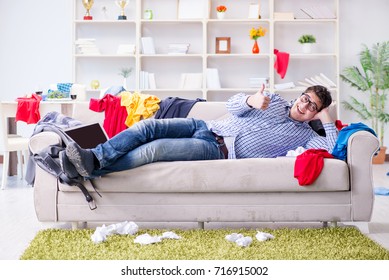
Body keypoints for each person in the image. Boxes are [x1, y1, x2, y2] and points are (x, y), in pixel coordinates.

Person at [62, 85, 337, 179]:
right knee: (148, 126)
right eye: (305, 98)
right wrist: (249, 101)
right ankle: (93, 157)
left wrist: (327, 118)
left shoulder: (306, 135)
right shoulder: (273, 100)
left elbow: (333, 148)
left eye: (313, 106)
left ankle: (91, 167)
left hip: (218, 150)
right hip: (205, 127)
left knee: (153, 150)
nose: (305, 105)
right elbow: (232, 104)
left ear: (316, 112)